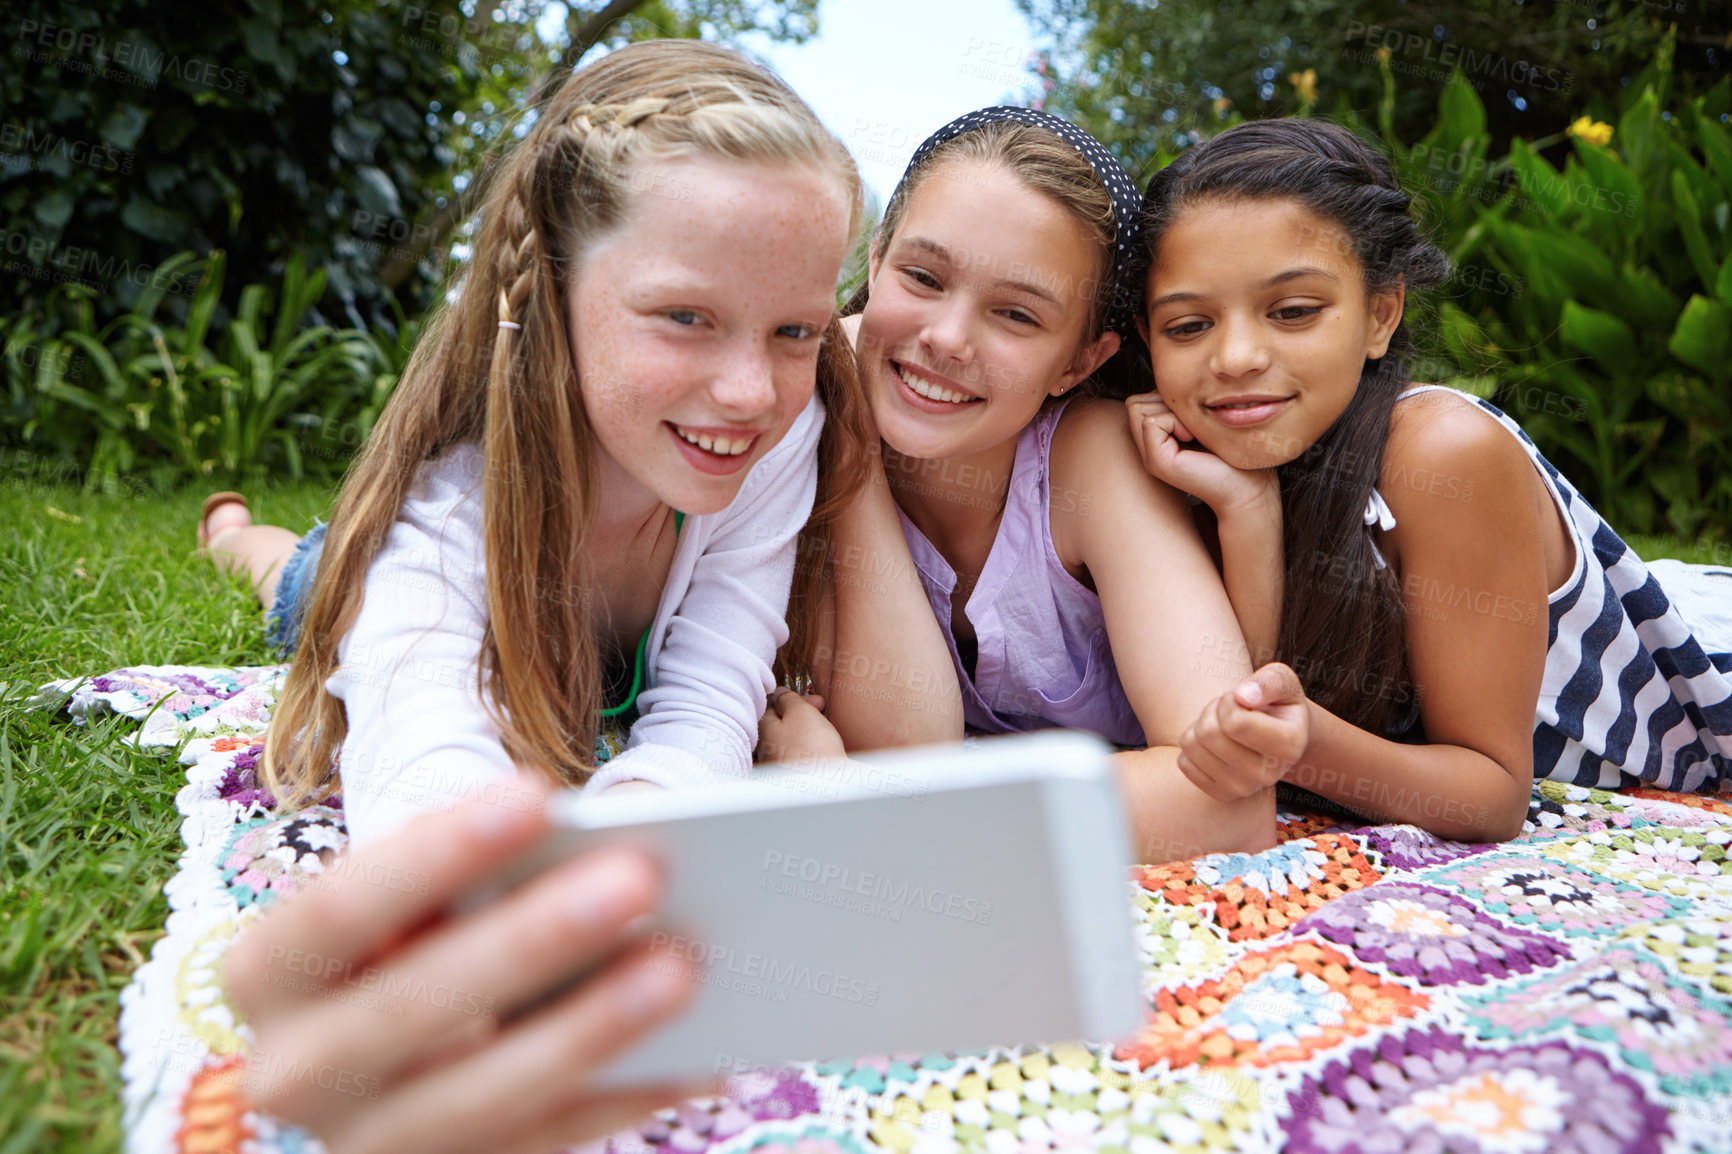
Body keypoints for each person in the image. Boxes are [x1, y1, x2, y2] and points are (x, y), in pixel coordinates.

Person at [216, 39, 864, 1150]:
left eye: (794, 330)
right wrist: (481, 905)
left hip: (605, 658)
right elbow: (416, 713)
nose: (749, 388)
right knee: (308, 580)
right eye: (684, 317)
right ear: (554, 294)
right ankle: (237, 535)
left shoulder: (777, 432)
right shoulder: (455, 487)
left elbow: (715, 679)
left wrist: (626, 836)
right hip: (376, 583)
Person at [1126, 118, 1732, 843]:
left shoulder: (1442, 454)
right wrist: (1245, 510)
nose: (1236, 356)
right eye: (1188, 326)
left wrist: (1307, 744)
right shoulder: (1194, 468)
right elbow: (1249, 697)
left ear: (1381, 314)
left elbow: (1492, 796)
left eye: (1293, 311)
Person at [761, 108, 1278, 862]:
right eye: (923, 278)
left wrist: (862, 806)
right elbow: (906, 750)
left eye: (1015, 314)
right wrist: (850, 442)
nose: (946, 338)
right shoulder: (810, 429)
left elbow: (1226, 805)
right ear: (874, 266)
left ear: (1079, 362)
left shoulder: (1090, 467)